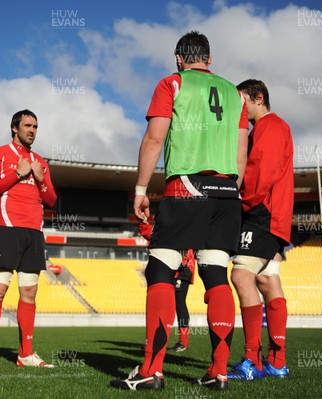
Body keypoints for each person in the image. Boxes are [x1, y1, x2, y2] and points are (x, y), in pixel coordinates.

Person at [110, 31, 248, 391]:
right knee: (216, 274)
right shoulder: (236, 94)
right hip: (227, 192)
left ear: (178, 58)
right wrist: (232, 188)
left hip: (187, 186)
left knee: (160, 269)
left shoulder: (172, 83)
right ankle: (218, 372)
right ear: (210, 59)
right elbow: (241, 153)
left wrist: (141, 190)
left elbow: (155, 138)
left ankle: (151, 371)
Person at [0, 109, 57, 372]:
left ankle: (26, 353)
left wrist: (41, 180)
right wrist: (17, 174)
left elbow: (51, 200)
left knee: (29, 293)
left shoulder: (40, 162)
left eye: (35, 126)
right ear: (15, 128)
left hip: (34, 233)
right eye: (27, 125)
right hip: (7, 230)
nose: (32, 130)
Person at [227, 79, 294, 380]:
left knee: (241, 275)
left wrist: (240, 199)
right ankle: (277, 363)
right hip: (273, 214)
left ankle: (251, 361)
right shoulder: (273, 127)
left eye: (242, 100)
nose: (239, 107)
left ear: (258, 97)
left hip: (261, 212)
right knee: (268, 281)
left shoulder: (270, 126)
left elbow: (261, 171)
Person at [139, 222, 195, 352]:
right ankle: (153, 341)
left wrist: (144, 223)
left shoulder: (181, 222)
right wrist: (143, 222)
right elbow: (149, 233)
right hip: (170, 265)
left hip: (183, 266)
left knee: (179, 303)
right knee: (162, 302)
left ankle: (183, 341)